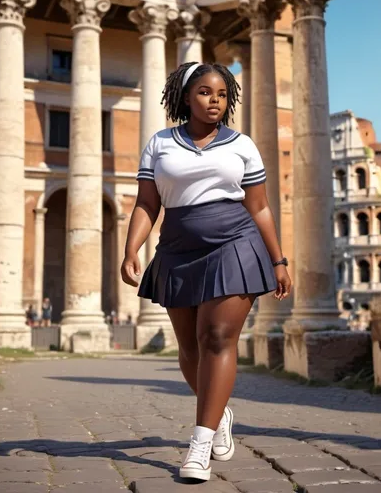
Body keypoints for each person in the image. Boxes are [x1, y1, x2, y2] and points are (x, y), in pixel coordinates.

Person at [121, 62, 292, 482]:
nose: (214, 100)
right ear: (184, 98)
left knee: (216, 338)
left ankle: (198, 445)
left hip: (235, 244)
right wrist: (131, 248)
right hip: (177, 250)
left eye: (220, 93)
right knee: (190, 350)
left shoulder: (243, 145)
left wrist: (278, 260)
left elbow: (260, 207)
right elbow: (148, 203)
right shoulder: (160, 143)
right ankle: (219, 413)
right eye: (203, 92)